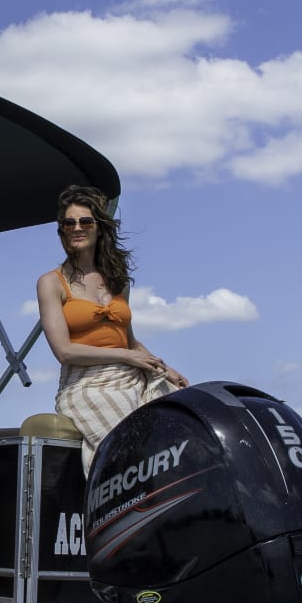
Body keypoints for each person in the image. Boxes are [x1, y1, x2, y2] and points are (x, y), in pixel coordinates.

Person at [37, 185, 189, 467]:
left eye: (85, 221)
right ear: (61, 231)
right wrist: (125, 356)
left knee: (184, 419)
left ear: (99, 228)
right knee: (131, 441)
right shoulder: (51, 283)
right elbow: (64, 351)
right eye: (69, 223)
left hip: (130, 374)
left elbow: (128, 340)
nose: (76, 228)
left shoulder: (116, 279)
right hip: (87, 382)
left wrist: (164, 368)